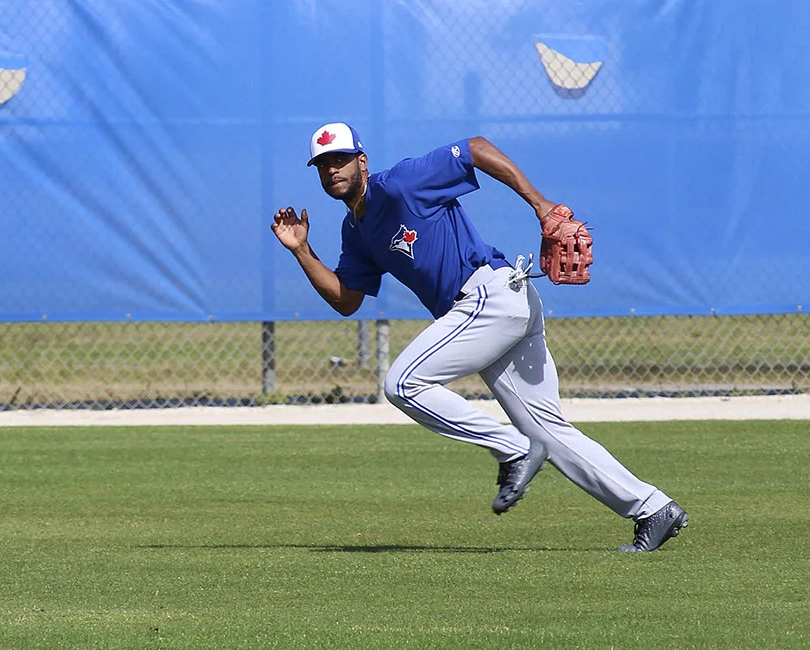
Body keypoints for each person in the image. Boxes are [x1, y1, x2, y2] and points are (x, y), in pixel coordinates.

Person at [271, 122, 688, 552]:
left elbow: (476, 148)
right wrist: (302, 251)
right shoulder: (356, 230)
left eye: (340, 159)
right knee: (547, 431)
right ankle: (653, 509)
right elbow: (346, 299)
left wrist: (541, 206)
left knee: (403, 383)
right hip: (494, 309)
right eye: (323, 164)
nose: (332, 170)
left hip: (489, 295)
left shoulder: (400, 183)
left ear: (362, 161)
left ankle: (513, 449)